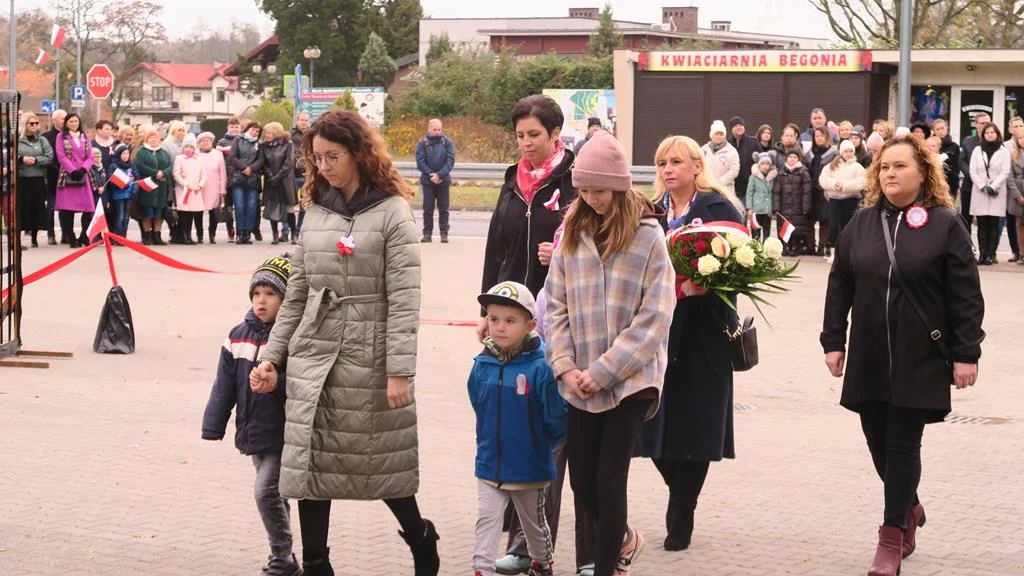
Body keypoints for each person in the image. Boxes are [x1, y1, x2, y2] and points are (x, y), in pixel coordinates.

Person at [248, 110, 440, 576]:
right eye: (317, 158)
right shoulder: (316, 210)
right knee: (312, 466)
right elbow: (297, 291)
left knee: (379, 461)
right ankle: (315, 563)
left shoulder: (393, 212)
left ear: (358, 153)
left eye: (333, 156)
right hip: (315, 351)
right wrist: (272, 356)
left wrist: (399, 370)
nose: (325, 166)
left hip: (368, 353)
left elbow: (404, 297)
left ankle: (420, 537)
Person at [821, 133, 984, 576]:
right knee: (877, 443)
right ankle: (909, 505)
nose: (890, 173)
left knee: (901, 443)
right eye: (884, 167)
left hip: (921, 354)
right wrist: (833, 340)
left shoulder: (944, 222)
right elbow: (840, 283)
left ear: (923, 172)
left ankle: (891, 537)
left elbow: (966, 294)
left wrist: (967, 352)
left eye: (900, 166)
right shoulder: (862, 222)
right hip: (870, 354)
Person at [544, 130, 674, 576]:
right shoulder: (572, 234)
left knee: (608, 476)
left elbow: (655, 316)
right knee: (581, 478)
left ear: (618, 187)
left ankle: (606, 567)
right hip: (578, 378)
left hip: (631, 380)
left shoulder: (648, 237)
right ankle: (621, 539)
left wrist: (606, 370)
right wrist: (565, 368)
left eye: (598, 189)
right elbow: (555, 306)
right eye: (582, 189)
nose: (590, 198)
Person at [481, 94, 590, 576]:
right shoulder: (510, 183)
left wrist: (562, 254)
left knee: (555, 440)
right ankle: (523, 544)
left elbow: (594, 242)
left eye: (535, 135)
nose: (526, 144)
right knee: (517, 437)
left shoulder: (575, 183)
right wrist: (485, 311)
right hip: (513, 325)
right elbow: (495, 250)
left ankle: (596, 545)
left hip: (561, 325)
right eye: (520, 135)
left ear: (555, 135)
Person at [636, 134, 745, 553]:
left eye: (675, 162)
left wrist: (709, 283)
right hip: (659, 330)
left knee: (698, 421)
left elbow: (741, 267)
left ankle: (683, 507)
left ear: (697, 166)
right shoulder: (652, 211)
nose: (667, 170)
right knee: (651, 417)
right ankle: (677, 489)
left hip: (704, 331)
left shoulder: (717, 208)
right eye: (662, 163)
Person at [202, 254, 302, 576]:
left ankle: (282, 559)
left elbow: (301, 383)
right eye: (257, 293)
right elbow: (224, 385)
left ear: (285, 299)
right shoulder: (237, 335)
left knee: (266, 491)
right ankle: (287, 559)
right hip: (254, 431)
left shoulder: (291, 337)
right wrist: (213, 423)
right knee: (275, 495)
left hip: (283, 431)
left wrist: (276, 384)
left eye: (271, 294)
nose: (262, 301)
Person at [469, 281, 566, 576]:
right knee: (487, 518)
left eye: (510, 321)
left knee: (533, 523)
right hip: (490, 462)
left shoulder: (542, 367)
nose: (500, 328)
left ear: (531, 324)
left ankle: (541, 560)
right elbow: (477, 400)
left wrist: (540, 445)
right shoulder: (482, 363)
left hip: (529, 465)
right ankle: (481, 568)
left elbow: (557, 417)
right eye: (494, 319)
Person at [969, 123, 1011, 265]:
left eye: (992, 132)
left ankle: (991, 254)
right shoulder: (977, 150)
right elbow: (972, 170)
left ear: (997, 134)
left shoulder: (1004, 151)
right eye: (987, 133)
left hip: (996, 192)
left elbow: (1005, 171)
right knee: (982, 224)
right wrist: (982, 186)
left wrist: (993, 186)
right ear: (983, 135)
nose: (990, 135)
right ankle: (982, 254)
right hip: (980, 191)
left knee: (993, 224)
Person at [820, 139, 867, 261]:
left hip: (851, 199)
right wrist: (835, 184)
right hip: (835, 199)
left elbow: (862, 182)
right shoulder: (831, 165)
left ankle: (847, 253)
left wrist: (845, 186)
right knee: (834, 225)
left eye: (851, 151)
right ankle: (834, 252)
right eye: (846, 151)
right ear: (841, 152)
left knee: (847, 226)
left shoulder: (858, 167)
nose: (848, 153)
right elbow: (823, 179)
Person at [54, 113, 96, 249]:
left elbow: (90, 157)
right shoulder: (61, 136)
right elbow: (61, 156)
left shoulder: (85, 137)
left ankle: (84, 235)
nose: (74, 123)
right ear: (66, 123)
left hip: (83, 175)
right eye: (71, 121)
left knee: (88, 209)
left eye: (76, 121)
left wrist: (83, 169)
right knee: (67, 210)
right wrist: (72, 170)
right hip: (68, 175)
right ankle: (71, 237)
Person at [415, 118, 456, 243]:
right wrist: (431, 175)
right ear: (429, 129)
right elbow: (420, 162)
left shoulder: (447, 142)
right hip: (428, 182)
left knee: (444, 209)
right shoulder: (422, 143)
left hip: (443, 181)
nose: (437, 132)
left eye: (439, 129)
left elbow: (450, 161)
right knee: (428, 209)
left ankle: (444, 233)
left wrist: (440, 175)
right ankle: (427, 234)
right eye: (435, 129)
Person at [17, 112, 54, 248]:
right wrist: (22, 159)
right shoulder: (18, 140)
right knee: (22, 209)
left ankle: (34, 237)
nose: (34, 126)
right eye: (31, 123)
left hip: (37, 179)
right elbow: (12, 154)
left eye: (36, 123)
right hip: (22, 179)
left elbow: (49, 157)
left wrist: (37, 160)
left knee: (36, 208)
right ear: (25, 124)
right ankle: (19, 237)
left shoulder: (42, 140)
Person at [259, 122, 297, 245]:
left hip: (285, 181)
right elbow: (263, 163)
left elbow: (289, 162)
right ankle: (275, 235)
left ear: (276, 133)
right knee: (272, 208)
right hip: (271, 181)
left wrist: (278, 177)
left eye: (269, 133)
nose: (267, 135)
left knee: (289, 209)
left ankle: (293, 234)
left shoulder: (288, 144)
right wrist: (270, 176)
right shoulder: (264, 146)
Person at [135, 126, 173, 246]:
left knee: (159, 213)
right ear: (146, 140)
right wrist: (154, 173)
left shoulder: (164, 153)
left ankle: (157, 236)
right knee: (147, 212)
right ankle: (147, 236)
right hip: (148, 186)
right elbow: (140, 165)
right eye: (150, 138)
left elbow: (169, 165)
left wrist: (163, 173)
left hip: (161, 186)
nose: (153, 140)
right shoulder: (142, 152)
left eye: (155, 137)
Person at [228, 120, 264, 245]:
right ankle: (240, 233)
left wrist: (251, 169)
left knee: (251, 207)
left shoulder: (259, 144)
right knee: (239, 206)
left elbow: (261, 160)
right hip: (238, 178)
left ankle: (247, 233)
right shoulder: (238, 140)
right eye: (253, 129)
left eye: (257, 131)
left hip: (253, 179)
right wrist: (244, 168)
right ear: (248, 129)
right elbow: (232, 157)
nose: (255, 132)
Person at [774, 148, 813, 256]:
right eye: (790, 156)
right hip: (784, 205)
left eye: (794, 157)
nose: (792, 159)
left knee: (796, 228)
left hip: (798, 205)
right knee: (785, 227)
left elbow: (807, 190)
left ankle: (795, 247)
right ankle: (785, 247)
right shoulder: (781, 171)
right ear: (787, 158)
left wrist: (806, 206)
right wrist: (776, 207)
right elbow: (777, 191)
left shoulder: (803, 171)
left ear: (798, 159)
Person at [806, 126, 838, 256]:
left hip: (824, 190)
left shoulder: (833, 153)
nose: (819, 138)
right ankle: (810, 246)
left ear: (827, 137)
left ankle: (822, 246)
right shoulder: (809, 153)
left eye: (821, 136)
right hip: (810, 190)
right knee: (809, 219)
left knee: (825, 219)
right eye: (816, 136)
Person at [172, 133, 207, 245]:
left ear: (194, 148)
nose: (188, 149)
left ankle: (189, 235)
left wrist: (200, 185)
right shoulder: (179, 158)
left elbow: (204, 174)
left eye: (191, 147)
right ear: (183, 147)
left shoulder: (198, 159)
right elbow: (176, 174)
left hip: (195, 190)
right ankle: (183, 236)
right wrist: (186, 185)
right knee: (183, 213)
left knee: (191, 213)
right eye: (186, 146)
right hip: (184, 190)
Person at [958, 113, 990, 232]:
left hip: (987, 187)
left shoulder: (996, 141)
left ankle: (985, 251)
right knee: (966, 219)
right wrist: (973, 176)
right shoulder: (968, 142)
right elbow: (962, 162)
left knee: (984, 222)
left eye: (988, 122)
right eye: (983, 123)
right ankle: (968, 249)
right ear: (976, 125)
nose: (986, 125)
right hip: (969, 187)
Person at [197, 132, 228, 244]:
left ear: (212, 142)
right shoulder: (196, 154)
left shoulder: (218, 154)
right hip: (199, 187)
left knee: (213, 212)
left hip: (214, 186)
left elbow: (222, 172)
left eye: (208, 141)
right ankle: (199, 235)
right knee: (198, 212)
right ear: (199, 143)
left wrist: (222, 189)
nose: (205, 143)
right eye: (203, 141)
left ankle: (212, 235)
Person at [42, 109, 66, 245]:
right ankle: (50, 234)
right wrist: (57, 169)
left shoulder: (68, 136)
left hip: (67, 176)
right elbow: (47, 156)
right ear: (54, 120)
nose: (64, 121)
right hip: (52, 175)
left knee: (65, 208)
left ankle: (66, 233)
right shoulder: (46, 136)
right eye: (62, 118)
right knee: (51, 207)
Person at [163, 120, 189, 244]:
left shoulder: (186, 143)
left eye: (183, 130)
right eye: (179, 130)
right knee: (171, 208)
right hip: (171, 180)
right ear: (173, 131)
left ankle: (182, 233)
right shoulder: (167, 144)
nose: (181, 132)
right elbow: (166, 161)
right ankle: (173, 231)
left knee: (183, 208)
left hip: (184, 180)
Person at [218, 117, 242, 243]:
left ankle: (240, 230)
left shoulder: (244, 141)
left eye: (237, 127)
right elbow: (218, 161)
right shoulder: (221, 142)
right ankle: (230, 230)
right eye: (232, 127)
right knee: (228, 207)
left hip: (241, 179)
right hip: (227, 178)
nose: (234, 129)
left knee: (240, 206)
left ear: (241, 128)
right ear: (228, 128)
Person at [701, 120, 740, 195]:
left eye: (721, 134)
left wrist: (718, 183)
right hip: (707, 189)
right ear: (711, 135)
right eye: (716, 134)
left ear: (724, 136)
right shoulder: (703, 150)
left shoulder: (731, 151)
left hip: (726, 191)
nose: (718, 136)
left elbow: (734, 171)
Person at [727, 116, 759, 204]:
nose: (739, 127)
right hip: (732, 187)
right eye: (736, 125)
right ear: (731, 129)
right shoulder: (727, 144)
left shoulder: (753, 142)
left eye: (741, 125)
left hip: (748, 187)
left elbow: (760, 163)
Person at [746, 152, 776, 241]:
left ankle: (766, 249)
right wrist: (750, 207)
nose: (765, 166)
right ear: (758, 165)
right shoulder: (753, 177)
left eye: (767, 164)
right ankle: (756, 249)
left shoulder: (772, 177)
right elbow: (749, 192)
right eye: (762, 163)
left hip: (767, 209)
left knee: (767, 231)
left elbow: (773, 192)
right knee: (756, 233)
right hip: (756, 209)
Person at [290, 111, 311, 239]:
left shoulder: (312, 134)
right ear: (297, 121)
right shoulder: (291, 134)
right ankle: (288, 231)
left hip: (307, 174)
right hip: (293, 173)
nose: (304, 122)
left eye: (306, 120)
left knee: (305, 204)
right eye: (302, 120)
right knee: (290, 204)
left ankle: (300, 230)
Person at [106, 144, 134, 238]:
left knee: (126, 217)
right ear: (119, 155)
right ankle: (118, 237)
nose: (126, 156)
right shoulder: (113, 166)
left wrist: (134, 189)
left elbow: (137, 177)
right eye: (123, 154)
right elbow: (111, 180)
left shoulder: (131, 165)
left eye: (127, 153)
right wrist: (125, 184)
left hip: (129, 194)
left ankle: (124, 235)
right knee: (120, 216)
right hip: (118, 195)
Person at [931, 120, 959, 200]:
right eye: (938, 129)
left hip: (951, 182)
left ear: (947, 128)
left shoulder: (954, 146)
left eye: (942, 128)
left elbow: (956, 166)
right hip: (935, 182)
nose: (940, 131)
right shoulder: (930, 144)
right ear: (934, 131)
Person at [1007, 132, 1024, 266]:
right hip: (1018, 193)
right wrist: (1017, 195)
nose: (1022, 140)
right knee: (1019, 225)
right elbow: (1010, 176)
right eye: (1020, 138)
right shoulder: (1013, 154)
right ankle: (1022, 253)